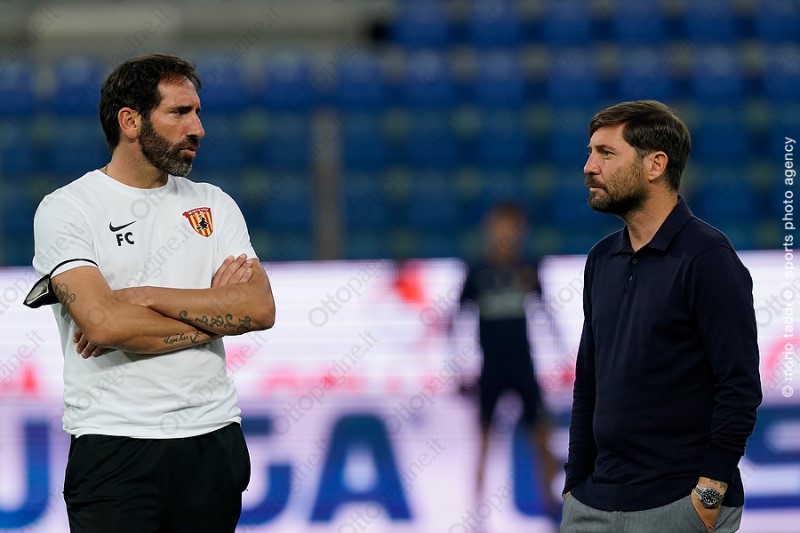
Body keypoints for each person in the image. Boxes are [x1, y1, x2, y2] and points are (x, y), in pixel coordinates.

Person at [30, 54, 275, 533]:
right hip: (115, 446)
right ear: (130, 121)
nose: (197, 128)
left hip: (213, 440)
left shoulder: (214, 204)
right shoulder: (68, 209)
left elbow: (259, 308)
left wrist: (142, 296)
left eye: (197, 112)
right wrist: (213, 320)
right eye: (179, 112)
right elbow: (104, 325)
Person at [561, 100, 762, 533]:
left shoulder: (708, 258)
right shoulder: (601, 259)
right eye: (591, 152)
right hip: (593, 504)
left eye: (606, 153)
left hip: (678, 504)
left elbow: (739, 386)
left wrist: (709, 493)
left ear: (655, 165)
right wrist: (574, 485)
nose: (589, 167)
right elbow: (588, 382)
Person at [455, 201, 561, 517]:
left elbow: (546, 313)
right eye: (499, 227)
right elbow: (457, 320)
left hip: (523, 366)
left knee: (541, 436)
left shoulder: (526, 269)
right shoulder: (477, 272)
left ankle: (551, 506)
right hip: (491, 369)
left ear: (520, 232)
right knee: (484, 440)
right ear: (488, 230)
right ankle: (476, 513)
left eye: (511, 228)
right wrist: (459, 368)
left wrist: (562, 355)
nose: (504, 234)